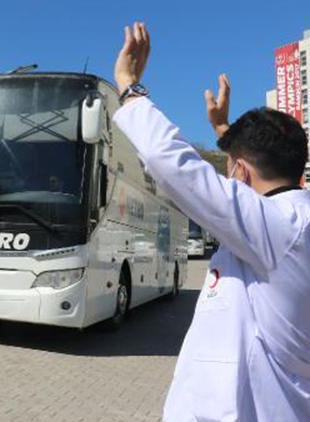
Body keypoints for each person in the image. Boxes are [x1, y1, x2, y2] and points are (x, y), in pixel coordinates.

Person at [112, 22, 310, 420]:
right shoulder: (289, 223)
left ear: (240, 172)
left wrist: (129, 86)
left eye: (232, 167)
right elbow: (236, 191)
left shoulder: (277, 228)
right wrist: (225, 134)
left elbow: (175, 165)